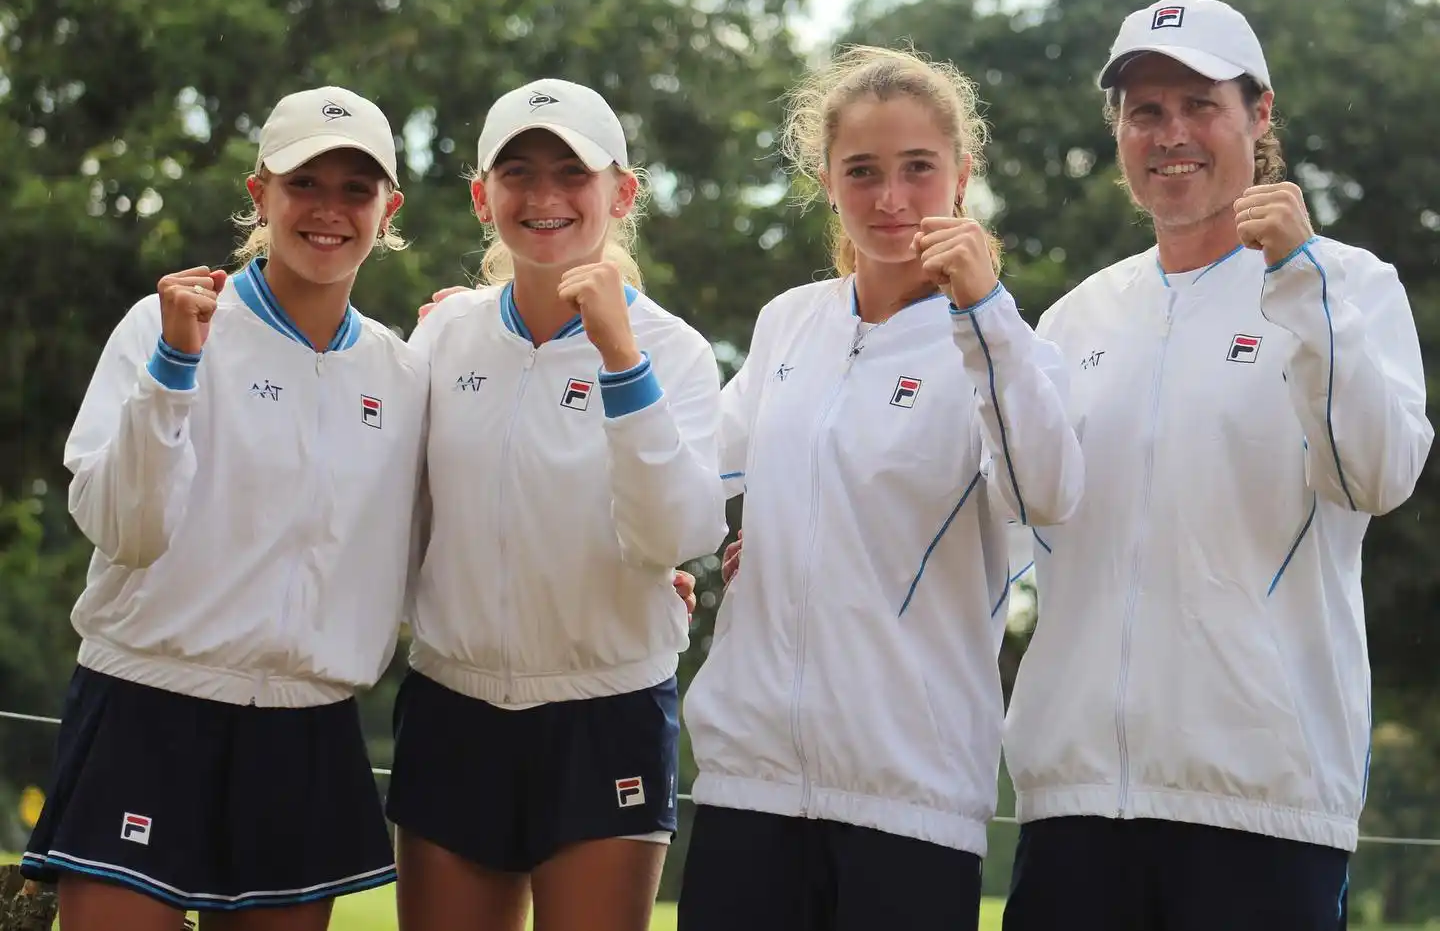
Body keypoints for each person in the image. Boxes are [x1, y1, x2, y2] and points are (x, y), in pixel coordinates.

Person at [994, 0, 1434, 931]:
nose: (1172, 134)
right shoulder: (1075, 318)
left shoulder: (1349, 283)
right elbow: (1007, 523)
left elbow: (1377, 475)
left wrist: (1301, 281)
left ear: (1259, 114)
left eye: (1201, 105)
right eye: (1146, 111)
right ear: (1119, 131)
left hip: (1262, 805)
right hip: (1073, 804)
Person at [676, 45, 1084, 931]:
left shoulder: (1012, 348)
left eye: (917, 170)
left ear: (962, 176)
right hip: (750, 784)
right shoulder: (789, 324)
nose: (891, 199)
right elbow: (684, 482)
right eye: (863, 171)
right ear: (828, 179)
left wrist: (986, 319)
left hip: (913, 799)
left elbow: (1044, 495)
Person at [19, 86, 426, 931]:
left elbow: (445, 541)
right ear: (260, 193)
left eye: (356, 189)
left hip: (306, 728)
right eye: (305, 183)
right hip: (146, 704)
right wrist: (174, 366)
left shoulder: (403, 373)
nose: (329, 210)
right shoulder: (163, 325)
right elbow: (125, 527)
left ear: (388, 207)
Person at [384, 78, 728, 931]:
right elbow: (390, 515)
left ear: (620, 191)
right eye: (517, 172)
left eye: (571, 173)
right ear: (481, 196)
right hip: (451, 704)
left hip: (606, 709)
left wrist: (619, 355)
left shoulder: (674, 353)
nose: (543, 197)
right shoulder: (443, 335)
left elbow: (679, 533)